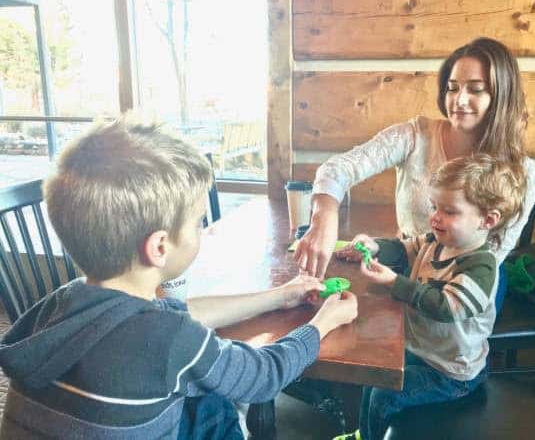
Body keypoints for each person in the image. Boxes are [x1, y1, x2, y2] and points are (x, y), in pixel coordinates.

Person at [0, 115, 358, 440]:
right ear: (159, 247)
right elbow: (263, 376)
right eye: (198, 222)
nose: (201, 229)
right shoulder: (171, 340)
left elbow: (177, 313)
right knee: (215, 400)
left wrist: (280, 296)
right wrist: (323, 322)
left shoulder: (59, 304)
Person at [294, 37, 535, 313]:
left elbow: (491, 259)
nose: (459, 100)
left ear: (501, 97)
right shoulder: (414, 136)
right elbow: (337, 169)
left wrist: (405, 281)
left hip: (464, 288)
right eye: (452, 88)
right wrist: (324, 219)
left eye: (475, 90)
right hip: (406, 262)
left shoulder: (526, 174)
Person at [334, 154, 527, 440]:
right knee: (373, 374)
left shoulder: (481, 267)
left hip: (451, 372)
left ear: (488, 220)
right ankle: (364, 434)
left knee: (383, 395)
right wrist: (375, 247)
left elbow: (447, 307)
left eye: (449, 211)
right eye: (434, 206)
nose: (435, 216)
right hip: (423, 350)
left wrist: (395, 283)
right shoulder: (435, 241)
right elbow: (404, 248)